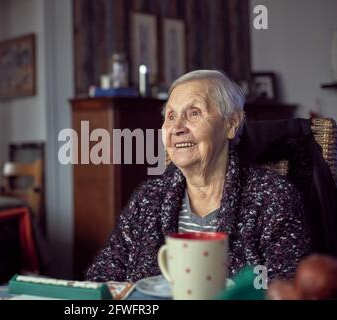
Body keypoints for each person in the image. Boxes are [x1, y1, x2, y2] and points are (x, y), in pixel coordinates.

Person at [86, 70, 311, 283]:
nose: (177, 128)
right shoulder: (147, 199)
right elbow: (103, 277)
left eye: (194, 113)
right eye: (171, 116)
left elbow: (286, 289)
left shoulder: (273, 197)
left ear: (232, 123)